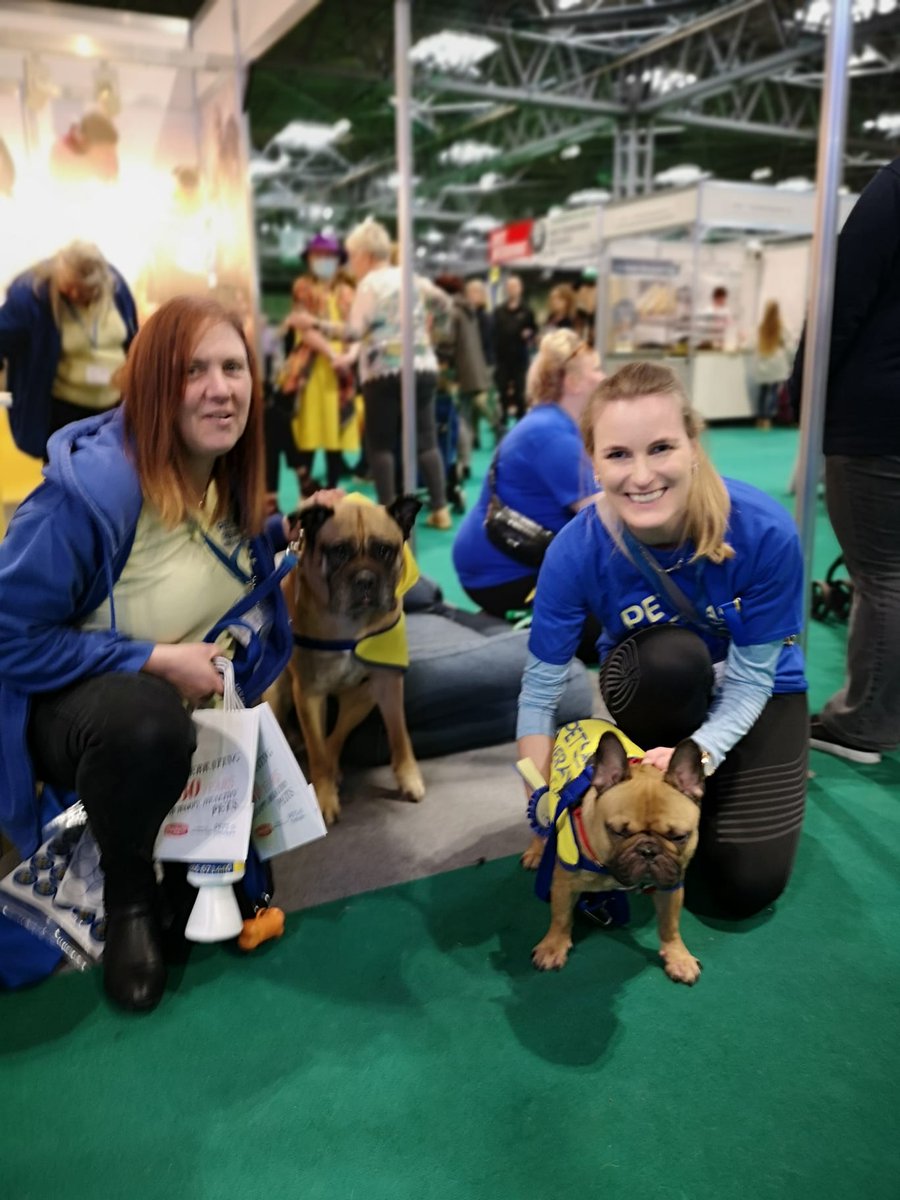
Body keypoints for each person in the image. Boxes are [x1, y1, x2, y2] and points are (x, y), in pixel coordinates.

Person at [0, 295, 328, 1013]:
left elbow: (209, 561)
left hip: (199, 715)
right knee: (145, 723)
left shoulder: (224, 476)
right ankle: (129, 901)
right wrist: (153, 658)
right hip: (80, 714)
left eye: (233, 368)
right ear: (152, 385)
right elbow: (7, 633)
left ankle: (175, 844)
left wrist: (284, 533)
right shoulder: (86, 496)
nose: (220, 388)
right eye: (193, 371)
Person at [518, 361, 808, 918]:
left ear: (693, 445)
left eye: (661, 448)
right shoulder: (575, 550)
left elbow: (752, 681)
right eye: (618, 454)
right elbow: (539, 693)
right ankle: (664, 794)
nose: (642, 475)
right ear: (594, 462)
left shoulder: (764, 532)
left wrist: (702, 752)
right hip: (656, 682)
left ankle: (702, 794)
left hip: (761, 692)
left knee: (740, 890)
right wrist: (538, 794)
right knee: (672, 659)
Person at [789, 155, 900, 765]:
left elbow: (840, 302)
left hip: (876, 418)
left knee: (881, 574)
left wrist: (802, 391)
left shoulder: (893, 190)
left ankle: (863, 724)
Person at [292, 218, 454, 529]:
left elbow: (354, 332)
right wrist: (432, 334)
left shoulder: (369, 285)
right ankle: (440, 508)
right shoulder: (411, 278)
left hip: (384, 371)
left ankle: (388, 515)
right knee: (427, 442)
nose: (351, 264)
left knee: (380, 446)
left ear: (365, 255)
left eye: (353, 256)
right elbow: (445, 303)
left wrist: (315, 324)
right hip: (423, 366)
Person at [453, 329, 601, 619]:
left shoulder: (549, 421)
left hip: (501, 562)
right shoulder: (552, 435)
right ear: (572, 382)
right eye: (595, 369)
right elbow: (608, 520)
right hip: (503, 576)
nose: (603, 377)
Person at [0, 240, 138, 459]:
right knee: (65, 475)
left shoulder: (116, 287)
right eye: (69, 286)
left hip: (111, 412)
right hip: (63, 416)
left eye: (85, 290)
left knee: (108, 474)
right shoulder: (31, 294)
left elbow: (134, 340)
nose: (74, 294)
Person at [281, 234, 360, 492]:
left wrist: (349, 356)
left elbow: (356, 331)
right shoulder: (303, 287)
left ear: (338, 260)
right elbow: (304, 329)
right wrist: (333, 354)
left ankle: (333, 490)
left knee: (335, 434)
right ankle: (306, 494)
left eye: (328, 256)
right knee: (309, 432)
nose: (323, 260)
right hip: (312, 369)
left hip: (341, 372)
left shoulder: (348, 292)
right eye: (317, 255)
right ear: (309, 259)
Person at [493, 274, 537, 423]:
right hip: (502, 359)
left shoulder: (527, 311)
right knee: (502, 391)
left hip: (520, 359)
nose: (512, 289)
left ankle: (521, 421)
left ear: (520, 289)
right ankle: (502, 422)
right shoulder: (498, 311)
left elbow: (534, 332)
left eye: (515, 286)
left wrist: (529, 334)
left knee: (520, 392)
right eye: (510, 286)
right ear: (506, 289)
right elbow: (493, 333)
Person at [754, 301, 791, 430]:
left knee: (763, 392)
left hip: (762, 364)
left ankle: (760, 417)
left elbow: (752, 343)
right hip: (776, 365)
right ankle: (768, 418)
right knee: (773, 392)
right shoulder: (781, 328)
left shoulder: (761, 327)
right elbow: (789, 346)